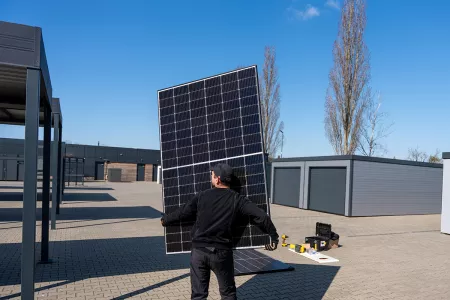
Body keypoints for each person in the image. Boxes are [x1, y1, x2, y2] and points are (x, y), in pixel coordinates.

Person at [161, 163, 279, 300]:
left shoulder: (202, 196)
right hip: (222, 254)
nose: (210, 176)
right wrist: (273, 236)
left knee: (198, 295)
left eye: (212, 175)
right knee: (228, 294)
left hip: (199, 252)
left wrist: (165, 220)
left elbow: (183, 213)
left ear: (217, 179)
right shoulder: (238, 199)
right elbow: (261, 216)